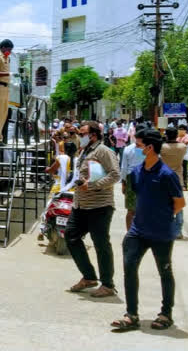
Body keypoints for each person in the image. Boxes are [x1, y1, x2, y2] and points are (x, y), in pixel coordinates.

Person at [111, 129, 185, 332]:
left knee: (164, 271)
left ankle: (165, 313)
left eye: (139, 144)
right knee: (129, 268)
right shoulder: (136, 172)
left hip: (161, 232)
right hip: (138, 231)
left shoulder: (167, 175)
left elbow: (179, 203)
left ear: (150, 147)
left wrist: (161, 217)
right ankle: (131, 314)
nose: (136, 148)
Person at [66, 122, 120, 298]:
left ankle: (107, 284)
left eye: (83, 133)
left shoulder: (103, 151)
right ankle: (89, 277)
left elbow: (115, 174)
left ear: (94, 135)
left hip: (99, 206)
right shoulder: (85, 150)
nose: (80, 135)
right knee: (71, 236)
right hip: (80, 205)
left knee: (101, 244)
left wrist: (93, 185)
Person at [161, 128, 188, 238]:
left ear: (166, 135)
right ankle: (178, 231)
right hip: (178, 178)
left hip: (164, 178)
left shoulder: (162, 147)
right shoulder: (183, 147)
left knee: (164, 204)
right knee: (179, 205)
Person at [120, 124, 148, 230]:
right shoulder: (150, 149)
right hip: (145, 178)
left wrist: (123, 183)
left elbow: (123, 168)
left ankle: (130, 233)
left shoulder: (128, 149)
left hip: (131, 179)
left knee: (131, 210)